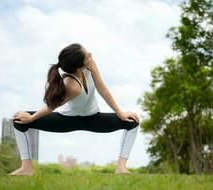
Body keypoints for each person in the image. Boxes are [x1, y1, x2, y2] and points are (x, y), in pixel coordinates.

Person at [9, 43, 140, 176]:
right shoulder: (71, 85)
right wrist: (31, 118)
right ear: (79, 67)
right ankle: (26, 168)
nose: (90, 54)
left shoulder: (90, 64)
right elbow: (54, 105)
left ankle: (121, 168)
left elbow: (101, 87)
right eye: (87, 55)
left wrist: (120, 113)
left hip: (93, 118)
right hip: (66, 120)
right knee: (19, 121)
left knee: (132, 122)